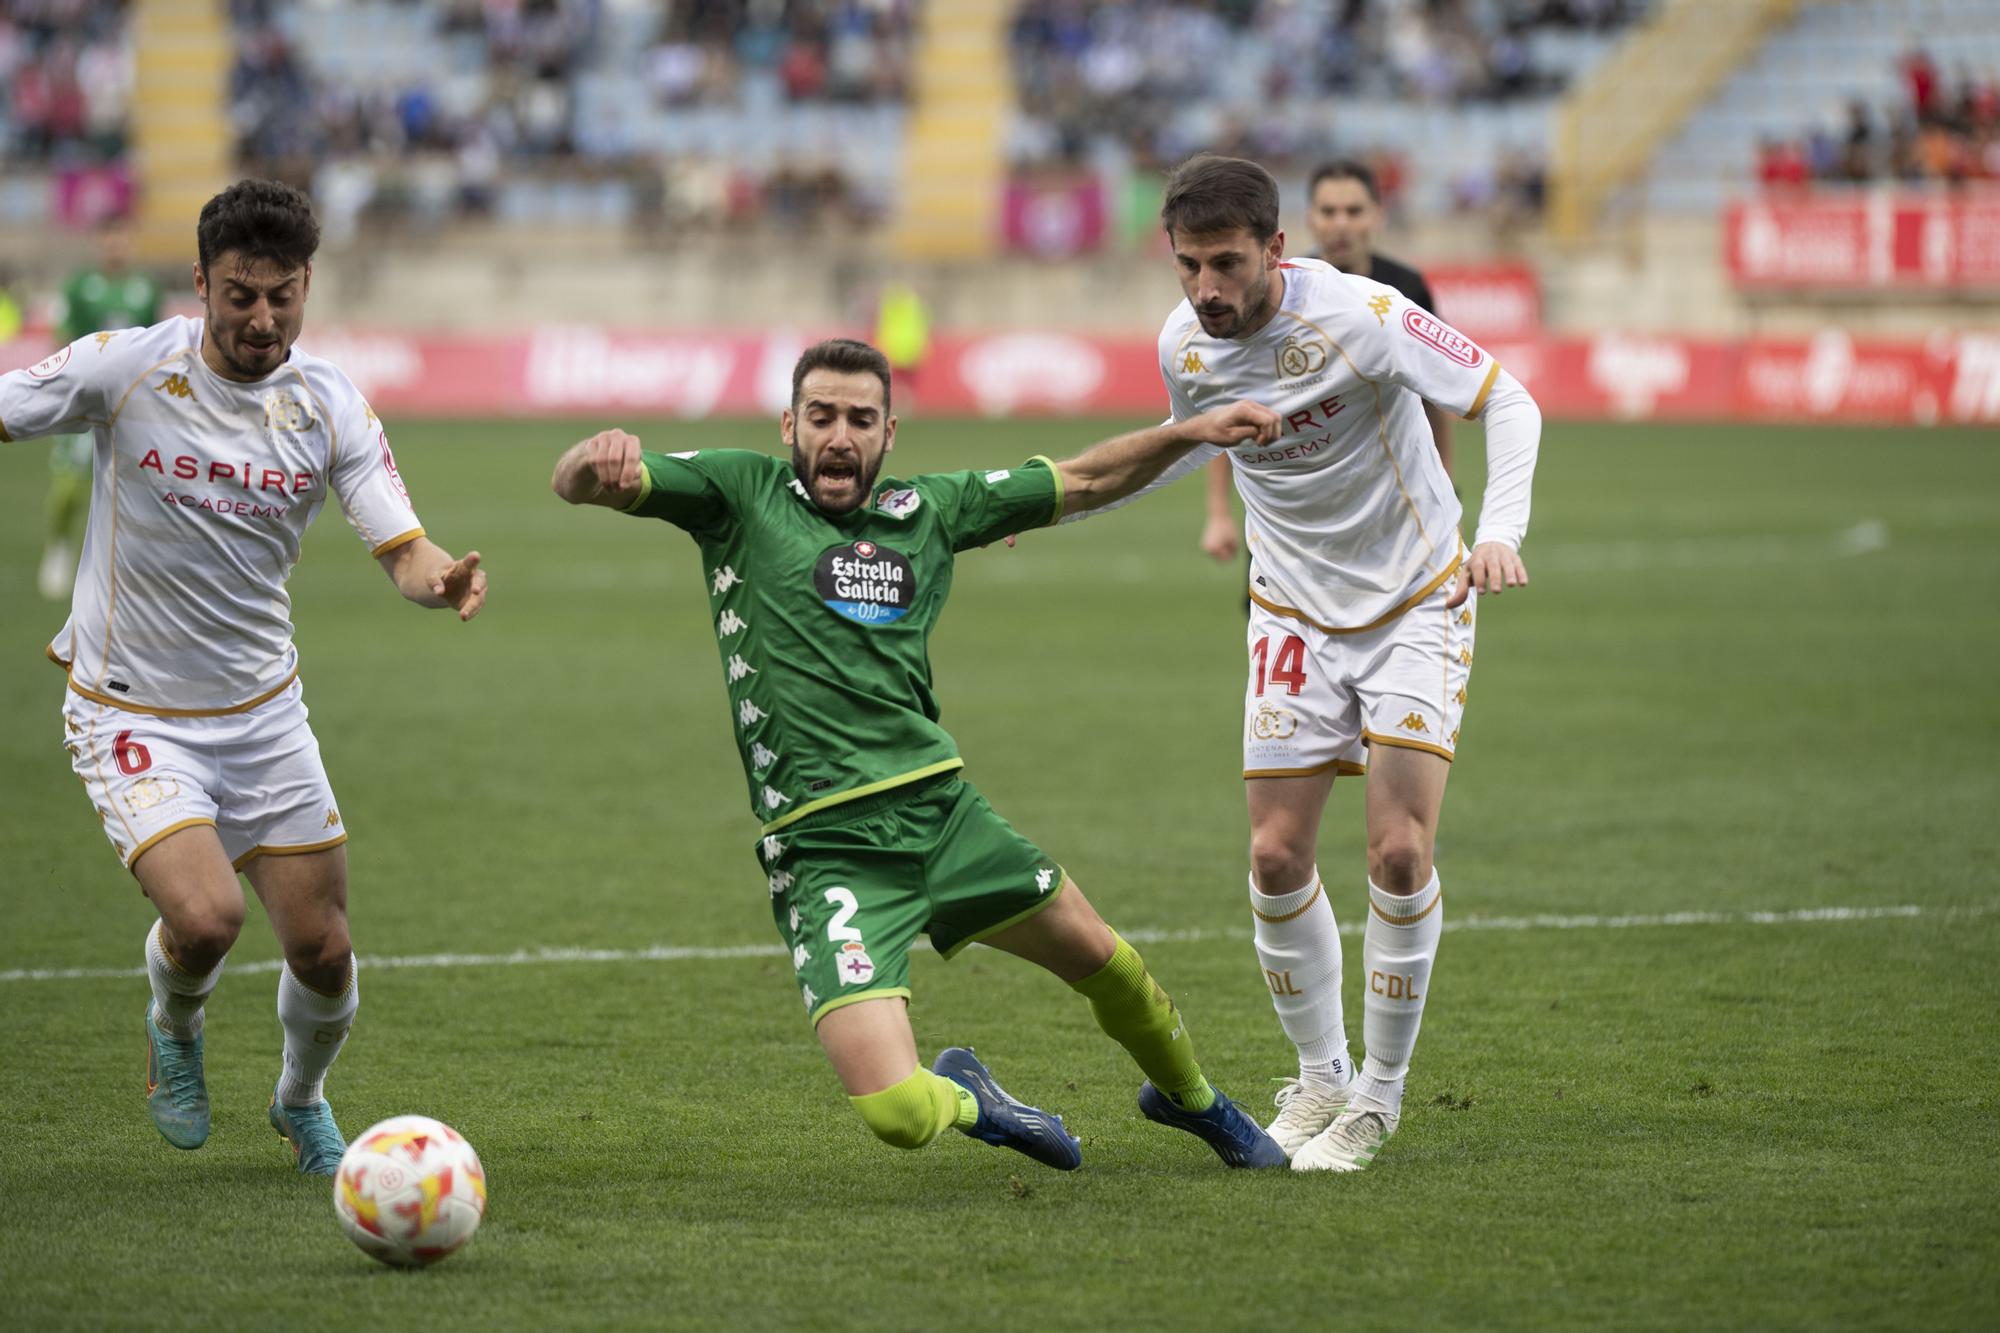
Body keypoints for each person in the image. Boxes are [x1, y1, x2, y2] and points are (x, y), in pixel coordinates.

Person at [549, 337, 1288, 1172]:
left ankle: (1195, 1101)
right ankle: (979, 1101)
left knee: (1110, 963)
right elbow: (580, 483)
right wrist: (591, 458)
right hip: (826, 849)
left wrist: (1191, 430)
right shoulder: (738, 491)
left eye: (860, 419)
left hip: (942, 816)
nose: (839, 436)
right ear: (790, 423)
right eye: (821, 416)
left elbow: (1081, 479)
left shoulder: (929, 510)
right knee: (898, 1112)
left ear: (888, 432)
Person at [0, 179, 489, 1175]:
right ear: (200, 285)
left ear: (307, 286)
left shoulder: (328, 403)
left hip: (264, 715)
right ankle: (173, 1026)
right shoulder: (129, 368)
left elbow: (401, 548)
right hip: (129, 707)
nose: (262, 318)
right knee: (208, 917)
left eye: (282, 295)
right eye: (239, 295)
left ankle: (299, 1100)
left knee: (324, 950)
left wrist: (441, 578)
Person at [1120, 154, 1540, 1171]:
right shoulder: (1184, 344)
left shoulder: (1364, 314)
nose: (1206, 290)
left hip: (1413, 599)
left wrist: (1499, 530)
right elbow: (1185, 447)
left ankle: (1377, 1101)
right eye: (1187, 266)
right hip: (1288, 612)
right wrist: (1048, 509)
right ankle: (1317, 1077)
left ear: (1276, 248)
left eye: (1225, 264)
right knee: (1272, 856)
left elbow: (1507, 399)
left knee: (1397, 852)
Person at [1199, 158, 1456, 568]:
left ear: (1377, 216)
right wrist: (1218, 514)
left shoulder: (1404, 290)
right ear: (1310, 220)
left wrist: (1445, 479)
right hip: (1288, 512)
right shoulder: (1273, 292)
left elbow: (1430, 396)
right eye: (1328, 211)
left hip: (1383, 505)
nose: (1341, 224)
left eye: (1353, 211)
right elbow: (1227, 406)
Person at [39, 216, 162, 600]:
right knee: (69, 486)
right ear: (101, 242)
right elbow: (62, 338)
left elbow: (155, 345)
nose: (116, 246)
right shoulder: (80, 287)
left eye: (123, 238)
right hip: (84, 399)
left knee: (136, 486)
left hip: (128, 404)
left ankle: (127, 568)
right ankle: (57, 548)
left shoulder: (146, 289)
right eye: (110, 238)